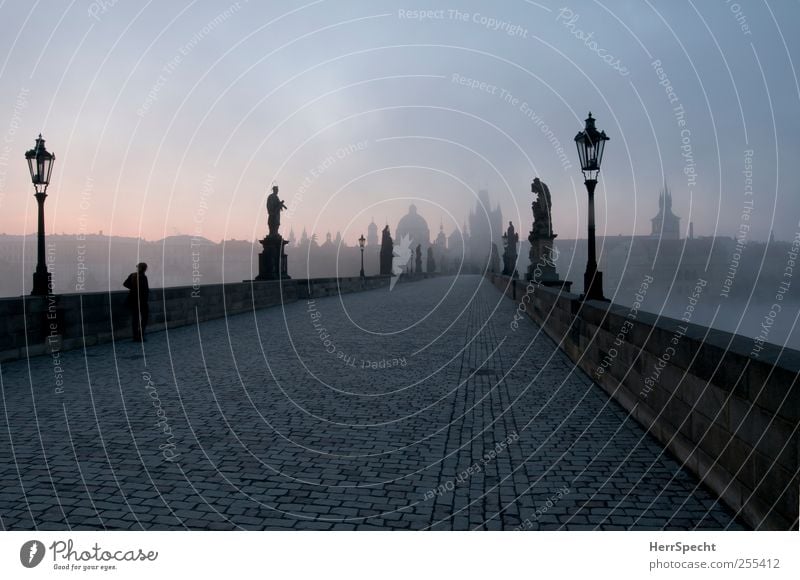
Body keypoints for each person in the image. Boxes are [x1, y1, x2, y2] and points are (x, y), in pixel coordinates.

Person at [123, 262, 149, 342]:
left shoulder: (132, 275)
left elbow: (125, 284)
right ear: (144, 269)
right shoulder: (143, 277)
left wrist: (133, 288)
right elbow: (145, 290)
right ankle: (140, 335)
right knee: (144, 317)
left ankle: (135, 336)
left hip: (132, 300)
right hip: (141, 301)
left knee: (135, 319)